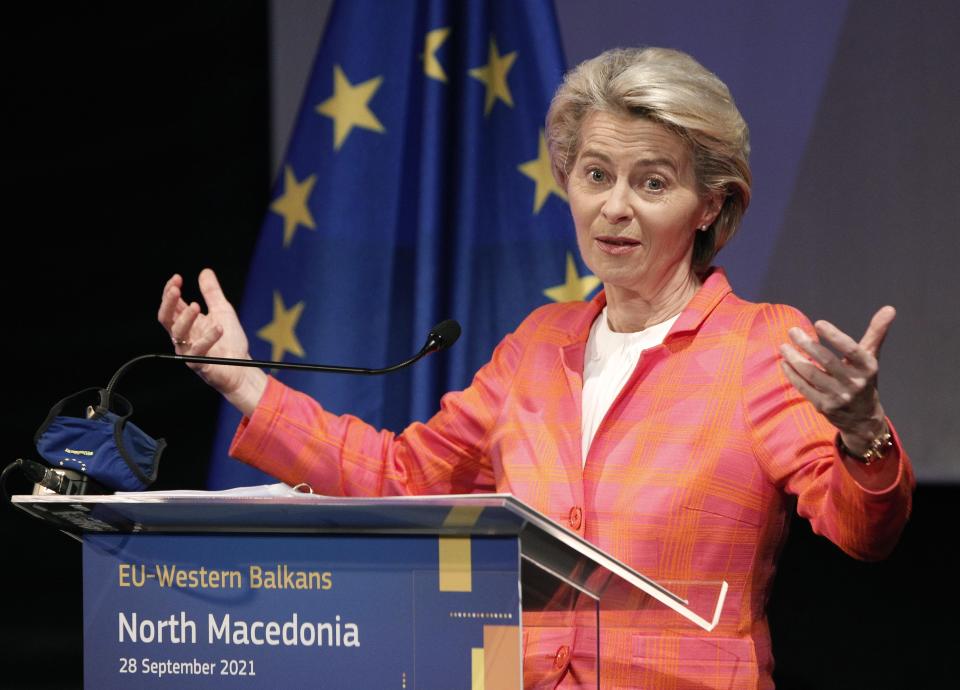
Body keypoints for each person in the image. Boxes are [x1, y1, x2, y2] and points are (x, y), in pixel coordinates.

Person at [158, 47, 914, 690]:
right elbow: (400, 478)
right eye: (595, 175)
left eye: (652, 182)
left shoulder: (758, 347)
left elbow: (862, 530)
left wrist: (864, 435)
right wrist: (239, 380)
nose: (615, 208)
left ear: (709, 205)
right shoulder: (535, 347)